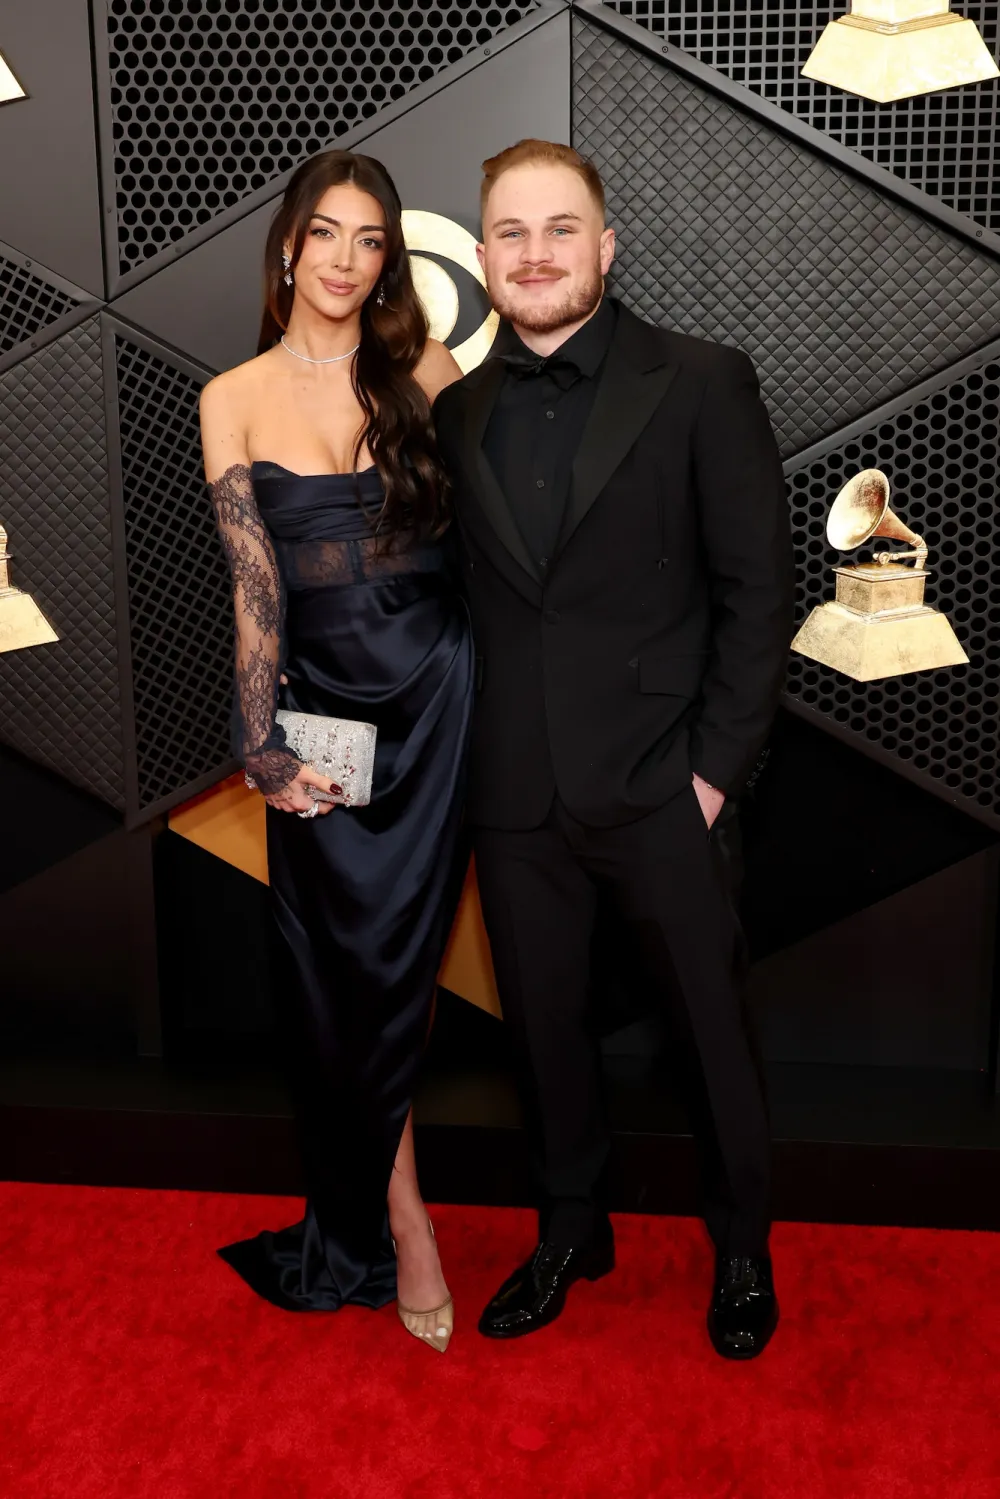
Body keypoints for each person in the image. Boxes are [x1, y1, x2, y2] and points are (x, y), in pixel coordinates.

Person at [433, 140, 794, 1358]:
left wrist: (709, 776)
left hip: (660, 784)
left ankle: (740, 1246)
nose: (534, 254)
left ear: (605, 245)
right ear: (483, 254)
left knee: (708, 1030)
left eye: (559, 229)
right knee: (542, 1032)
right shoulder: (458, 410)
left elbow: (755, 594)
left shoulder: (699, 381)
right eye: (511, 232)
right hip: (514, 790)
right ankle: (570, 1231)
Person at [200, 150, 471, 1353]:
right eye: (326, 233)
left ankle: (403, 1221)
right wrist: (258, 739)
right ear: (289, 244)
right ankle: (398, 1214)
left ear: (388, 258)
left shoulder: (425, 370)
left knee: (404, 968)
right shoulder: (232, 394)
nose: (345, 260)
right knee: (348, 973)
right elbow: (254, 587)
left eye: (369, 240)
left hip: (443, 698)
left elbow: (492, 545)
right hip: (326, 721)